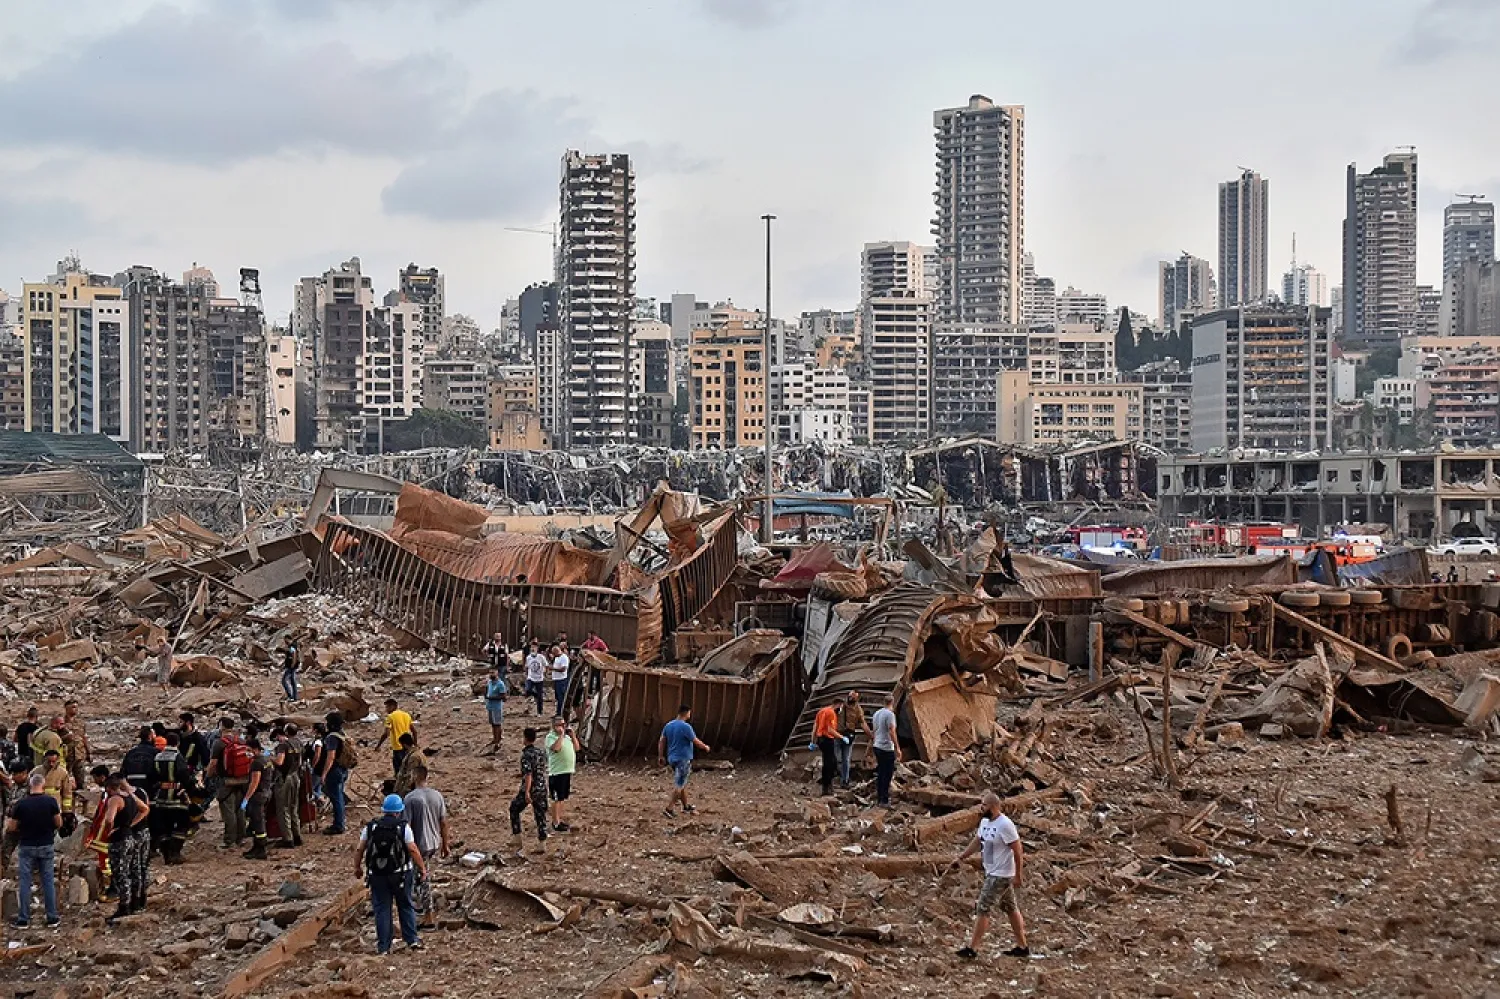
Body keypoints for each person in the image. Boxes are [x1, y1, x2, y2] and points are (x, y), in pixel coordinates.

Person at [948, 790, 1029, 960]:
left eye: (984, 804)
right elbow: (977, 841)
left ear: (993, 806)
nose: (981, 807)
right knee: (1010, 908)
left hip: (1001, 874)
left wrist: (1018, 875)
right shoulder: (985, 822)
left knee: (983, 907)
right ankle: (1023, 947)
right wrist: (962, 857)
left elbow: (1017, 850)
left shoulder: (1005, 825)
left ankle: (973, 948)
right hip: (991, 871)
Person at [356, 794, 425, 955]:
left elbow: (360, 849)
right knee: (405, 905)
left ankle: (383, 947)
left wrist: (357, 867)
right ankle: (411, 940)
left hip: (377, 875)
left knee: (382, 909)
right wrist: (422, 868)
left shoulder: (371, 827)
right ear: (399, 811)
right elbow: (413, 849)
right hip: (401, 874)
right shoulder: (403, 828)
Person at [6, 771, 62, 928]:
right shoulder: (50, 801)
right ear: (42, 785)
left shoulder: (21, 804)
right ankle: (52, 917)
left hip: (27, 845)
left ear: (30, 786)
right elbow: (58, 823)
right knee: (48, 881)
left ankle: (23, 918)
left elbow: (11, 827)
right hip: (46, 844)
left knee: (25, 882)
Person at [101, 773, 151, 921]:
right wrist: (130, 824)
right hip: (131, 837)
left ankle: (124, 906)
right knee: (133, 870)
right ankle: (136, 901)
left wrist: (109, 830)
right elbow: (145, 809)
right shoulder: (130, 797)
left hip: (119, 839)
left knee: (120, 873)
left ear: (109, 788)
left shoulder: (114, 800)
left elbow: (109, 819)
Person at [402, 766, 447, 927]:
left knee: (422, 877)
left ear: (414, 777)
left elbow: (406, 826)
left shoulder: (410, 798)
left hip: (418, 844)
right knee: (421, 875)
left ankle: (427, 915)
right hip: (434, 842)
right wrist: (445, 844)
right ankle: (421, 907)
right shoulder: (437, 796)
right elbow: (443, 822)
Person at [149, 732, 195, 865]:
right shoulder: (177, 756)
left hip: (161, 797)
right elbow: (184, 775)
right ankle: (175, 853)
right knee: (181, 826)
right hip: (177, 798)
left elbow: (153, 776)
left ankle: (166, 855)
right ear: (178, 743)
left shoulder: (158, 756)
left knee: (164, 828)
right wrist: (190, 789)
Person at [205, 718, 252, 847]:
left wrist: (208, 776)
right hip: (242, 780)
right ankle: (241, 838)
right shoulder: (241, 741)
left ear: (221, 726)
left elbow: (213, 763)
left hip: (226, 781)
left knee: (228, 811)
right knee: (240, 809)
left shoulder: (219, 743)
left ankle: (229, 839)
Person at [658, 705, 710, 818]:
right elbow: (695, 741)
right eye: (689, 713)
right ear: (686, 713)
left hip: (672, 758)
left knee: (682, 783)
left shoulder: (668, 725)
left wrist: (661, 756)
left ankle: (686, 806)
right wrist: (705, 747)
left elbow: (662, 741)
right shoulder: (686, 727)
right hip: (683, 758)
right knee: (679, 784)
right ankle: (669, 808)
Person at [508, 727, 549, 854]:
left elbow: (528, 774)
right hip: (541, 787)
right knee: (540, 815)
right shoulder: (541, 752)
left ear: (525, 738)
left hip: (531, 788)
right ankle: (542, 843)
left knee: (514, 808)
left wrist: (526, 791)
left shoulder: (526, 755)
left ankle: (517, 836)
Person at [241, 735, 275, 860]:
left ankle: (261, 849)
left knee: (257, 822)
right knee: (258, 821)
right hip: (266, 793)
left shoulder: (256, 763)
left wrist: (246, 798)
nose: (247, 753)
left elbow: (254, 782)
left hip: (258, 796)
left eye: (249, 750)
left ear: (255, 749)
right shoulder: (266, 759)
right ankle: (256, 847)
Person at [544, 715, 579, 833]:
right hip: (557, 772)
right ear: (554, 726)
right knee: (556, 798)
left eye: (563, 725)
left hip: (566, 770)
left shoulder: (567, 737)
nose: (562, 727)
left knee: (562, 797)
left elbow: (577, 748)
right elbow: (556, 748)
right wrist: (560, 736)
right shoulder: (551, 737)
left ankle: (559, 819)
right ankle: (555, 822)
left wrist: (572, 736)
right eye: (559, 725)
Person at [321, 712, 354, 835]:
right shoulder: (342, 735)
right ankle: (340, 821)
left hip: (334, 770)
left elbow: (331, 757)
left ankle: (338, 825)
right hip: (343, 769)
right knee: (338, 796)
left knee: (336, 798)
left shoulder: (332, 738)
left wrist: (324, 773)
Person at [31, 749, 76, 837]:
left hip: (55, 808)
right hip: (37, 807)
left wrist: (67, 811)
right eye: (49, 761)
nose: (51, 764)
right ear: (44, 759)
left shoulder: (63, 773)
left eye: (54, 762)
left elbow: (67, 794)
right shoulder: (36, 771)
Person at [273, 725, 304, 848]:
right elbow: (300, 761)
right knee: (294, 807)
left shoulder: (283, 745)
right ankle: (297, 836)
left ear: (286, 732)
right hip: (296, 776)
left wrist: (269, 758)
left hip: (285, 778)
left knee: (283, 808)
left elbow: (279, 762)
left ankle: (287, 839)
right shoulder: (299, 743)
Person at [871, 693, 901, 807]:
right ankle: (884, 800)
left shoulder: (876, 714)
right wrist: (897, 747)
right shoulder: (890, 715)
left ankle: (880, 799)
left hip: (877, 746)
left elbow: (874, 730)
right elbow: (892, 731)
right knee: (887, 774)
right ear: (892, 703)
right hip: (886, 747)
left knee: (881, 773)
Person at [837, 691, 871, 786]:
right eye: (850, 695)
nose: (851, 698)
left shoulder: (858, 710)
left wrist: (870, 735)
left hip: (848, 735)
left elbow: (862, 723)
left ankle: (845, 781)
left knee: (846, 759)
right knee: (834, 757)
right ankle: (830, 780)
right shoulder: (840, 705)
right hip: (836, 734)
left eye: (853, 697)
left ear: (857, 698)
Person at [812, 700, 843, 797]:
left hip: (820, 739)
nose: (841, 709)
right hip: (827, 739)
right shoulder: (831, 713)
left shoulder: (821, 711)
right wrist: (842, 737)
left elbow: (815, 726)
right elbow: (830, 730)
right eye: (841, 706)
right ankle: (827, 786)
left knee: (828, 761)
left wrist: (813, 740)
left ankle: (826, 785)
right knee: (831, 763)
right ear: (838, 704)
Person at [377, 699, 415, 777]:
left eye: (387, 707)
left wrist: (378, 745)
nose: (386, 709)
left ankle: (399, 786)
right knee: (407, 768)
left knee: (398, 771)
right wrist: (415, 744)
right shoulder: (406, 715)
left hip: (397, 747)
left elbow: (386, 734)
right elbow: (414, 731)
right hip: (408, 746)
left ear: (393, 706)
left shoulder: (390, 717)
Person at [122, 725, 159, 794]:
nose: (155, 737)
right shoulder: (156, 752)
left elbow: (123, 772)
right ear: (150, 736)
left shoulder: (131, 752)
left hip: (131, 788)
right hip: (149, 788)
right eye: (154, 734)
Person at [484, 663, 508, 754]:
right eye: (490, 673)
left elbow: (504, 698)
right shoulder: (490, 682)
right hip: (490, 706)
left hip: (497, 707)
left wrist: (492, 698)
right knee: (493, 724)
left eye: (493, 673)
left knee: (497, 724)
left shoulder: (500, 684)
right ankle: (495, 739)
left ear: (497, 673)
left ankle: (498, 741)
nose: (491, 674)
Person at [393, 734, 427, 798]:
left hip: (414, 787)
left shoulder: (413, 757)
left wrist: (403, 791)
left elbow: (411, 776)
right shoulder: (418, 753)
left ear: (405, 745)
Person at [523, 641, 548, 715]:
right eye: (531, 647)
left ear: (537, 648)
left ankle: (539, 712)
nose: (533, 648)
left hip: (539, 678)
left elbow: (546, 665)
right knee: (528, 690)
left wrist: (545, 673)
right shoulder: (528, 657)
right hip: (531, 677)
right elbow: (527, 667)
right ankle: (535, 696)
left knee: (540, 697)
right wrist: (527, 675)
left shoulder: (541, 657)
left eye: (534, 647)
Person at [15, 707, 39, 771]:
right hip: (30, 755)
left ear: (27, 716)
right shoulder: (35, 728)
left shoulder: (20, 726)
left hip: (21, 753)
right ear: (36, 717)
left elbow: (15, 739)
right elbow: (30, 742)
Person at [549, 644, 571, 716]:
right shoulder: (557, 657)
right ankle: (559, 712)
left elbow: (564, 669)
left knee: (561, 697)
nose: (553, 655)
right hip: (556, 680)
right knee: (558, 697)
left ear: (557, 651)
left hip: (561, 680)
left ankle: (560, 713)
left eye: (554, 653)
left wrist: (553, 669)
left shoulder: (564, 658)